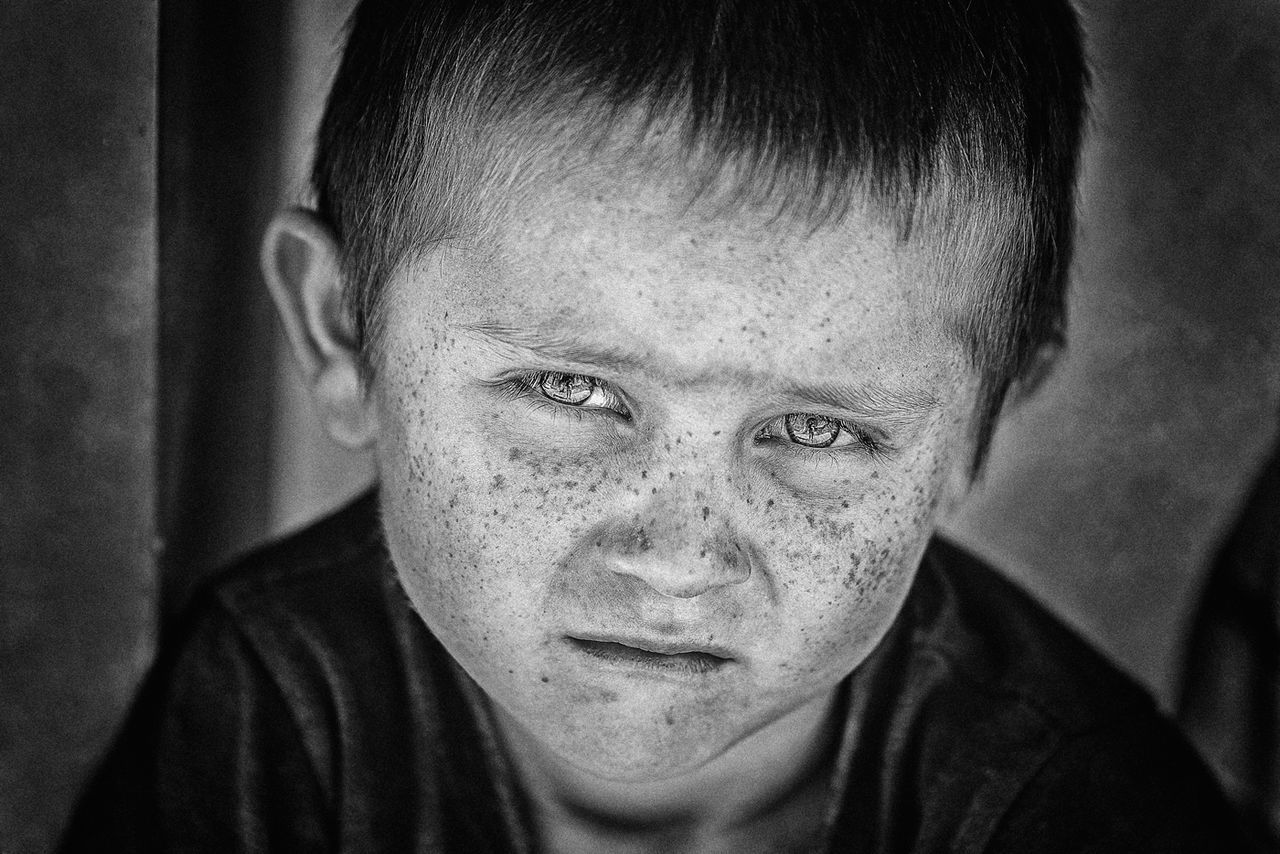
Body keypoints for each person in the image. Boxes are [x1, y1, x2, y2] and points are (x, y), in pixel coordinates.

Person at [61, 1, 1253, 851]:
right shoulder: (278, 699)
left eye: (818, 431)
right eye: (571, 392)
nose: (677, 558)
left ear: (972, 436)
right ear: (340, 332)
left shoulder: (1068, 794)